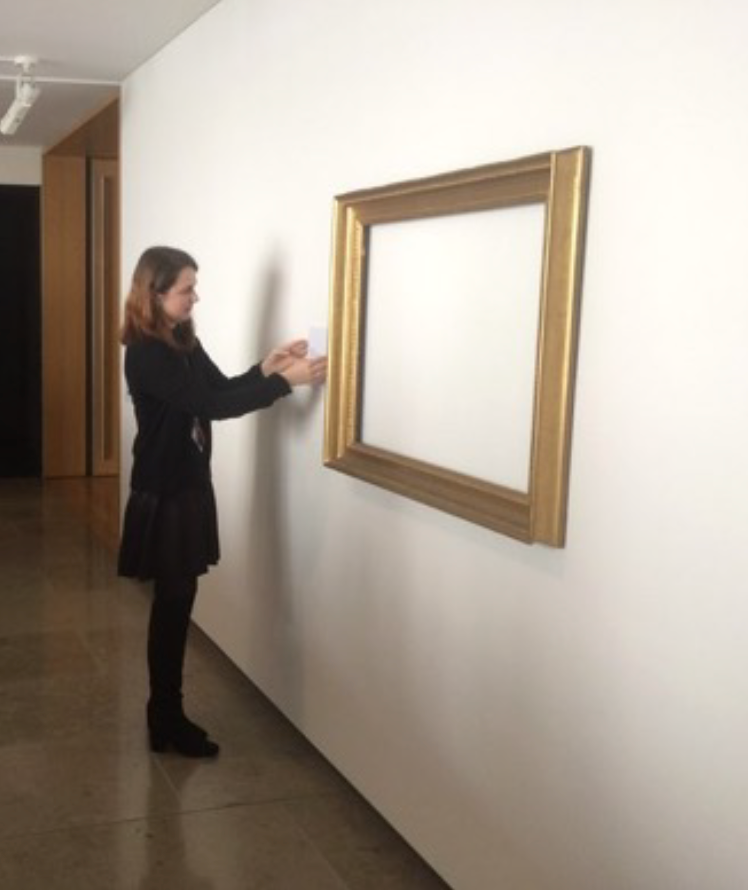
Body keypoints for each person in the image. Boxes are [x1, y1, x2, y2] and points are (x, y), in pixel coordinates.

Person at [117, 245, 327, 758]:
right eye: (186, 289)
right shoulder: (145, 351)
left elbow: (221, 389)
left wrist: (265, 368)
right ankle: (165, 716)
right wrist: (283, 383)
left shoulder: (182, 339)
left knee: (177, 602)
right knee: (172, 606)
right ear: (155, 294)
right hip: (165, 491)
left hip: (187, 485)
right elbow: (210, 406)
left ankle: (164, 715)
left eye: (194, 287)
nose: (196, 297)